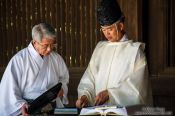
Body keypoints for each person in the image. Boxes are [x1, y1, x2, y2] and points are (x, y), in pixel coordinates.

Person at [76, 0, 152, 108]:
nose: (107, 33)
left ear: (120, 26)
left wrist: (110, 94)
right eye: (103, 30)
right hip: (98, 111)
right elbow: (90, 77)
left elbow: (138, 88)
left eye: (110, 29)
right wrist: (85, 95)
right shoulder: (100, 49)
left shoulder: (135, 52)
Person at [0, 23, 69, 115]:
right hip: (29, 108)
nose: (49, 49)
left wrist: (62, 89)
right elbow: (9, 90)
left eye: (52, 45)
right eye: (45, 45)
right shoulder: (19, 60)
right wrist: (21, 105)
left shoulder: (56, 58)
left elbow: (63, 78)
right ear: (35, 42)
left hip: (52, 108)